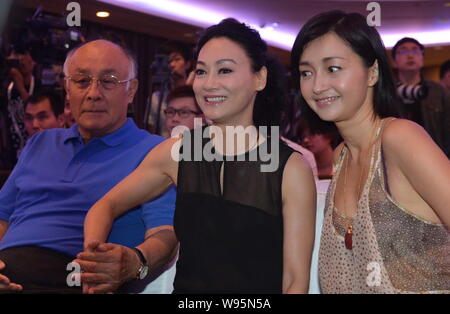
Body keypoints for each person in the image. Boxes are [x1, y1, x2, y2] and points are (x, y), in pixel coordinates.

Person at [82, 18, 316, 294]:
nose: (208, 84)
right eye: (201, 72)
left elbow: (294, 282)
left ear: (260, 78)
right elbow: (104, 206)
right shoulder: (179, 152)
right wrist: (94, 264)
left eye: (225, 70)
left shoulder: (290, 168)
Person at [0, 39, 177, 294]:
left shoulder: (154, 150)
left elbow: (164, 233)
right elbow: (3, 217)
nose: (94, 93)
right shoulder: (41, 142)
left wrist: (136, 262)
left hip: (80, 278)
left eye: (108, 81)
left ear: (131, 91)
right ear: (67, 88)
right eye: (82, 81)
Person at [291, 10, 450, 293]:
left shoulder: (400, 139)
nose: (317, 86)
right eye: (306, 72)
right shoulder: (340, 155)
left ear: (372, 72)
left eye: (333, 68)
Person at [392, 37, 450, 158]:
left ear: (422, 59)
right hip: (397, 156)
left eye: (415, 51)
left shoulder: (437, 91)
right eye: (403, 51)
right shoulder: (387, 91)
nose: (410, 56)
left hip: (433, 155)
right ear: (394, 62)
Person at [148, 40, 195, 137]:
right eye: (168, 61)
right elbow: (152, 130)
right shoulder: (156, 97)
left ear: (187, 64)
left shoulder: (196, 93)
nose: (172, 65)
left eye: (177, 59)